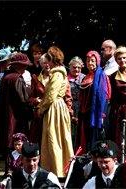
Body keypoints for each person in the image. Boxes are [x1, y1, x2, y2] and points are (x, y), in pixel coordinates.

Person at [37, 46, 74, 177]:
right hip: (56, 107)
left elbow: (51, 96)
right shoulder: (58, 72)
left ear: (52, 59)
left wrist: (41, 108)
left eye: (48, 59)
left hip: (55, 108)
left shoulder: (57, 73)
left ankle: (58, 171)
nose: (47, 62)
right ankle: (55, 169)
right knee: (55, 139)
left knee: (55, 139)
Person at [0, 52, 33, 155]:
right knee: (16, 141)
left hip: (5, 114)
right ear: (18, 65)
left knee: (8, 142)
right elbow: (23, 100)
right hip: (16, 116)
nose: (25, 68)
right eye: (24, 65)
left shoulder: (5, 77)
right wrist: (33, 101)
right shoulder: (17, 78)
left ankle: (8, 169)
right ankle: (14, 167)